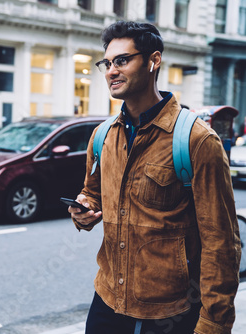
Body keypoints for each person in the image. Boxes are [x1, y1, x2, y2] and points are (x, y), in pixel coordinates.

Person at [69, 21, 241, 334]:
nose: (111, 70)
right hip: (107, 300)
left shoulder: (197, 140)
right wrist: (83, 209)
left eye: (122, 60)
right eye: (107, 63)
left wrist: (214, 323)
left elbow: (222, 243)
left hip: (169, 312)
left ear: (153, 61)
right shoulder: (102, 135)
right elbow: (91, 192)